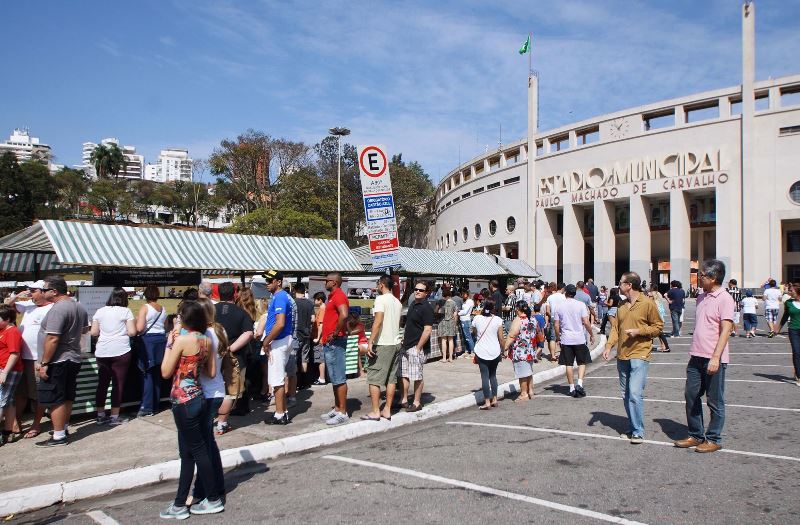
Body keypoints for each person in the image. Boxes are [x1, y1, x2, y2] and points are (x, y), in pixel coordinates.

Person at [159, 301, 223, 519]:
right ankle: (179, 503)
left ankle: (213, 498)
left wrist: (170, 343)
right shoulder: (206, 340)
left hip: (183, 399)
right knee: (188, 453)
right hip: (198, 396)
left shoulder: (182, 340)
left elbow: (165, 371)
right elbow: (212, 372)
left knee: (196, 451)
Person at [674, 259, 734, 454]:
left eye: (702, 275)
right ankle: (696, 434)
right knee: (691, 395)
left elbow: (726, 330)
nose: (699, 278)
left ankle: (714, 438)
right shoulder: (701, 296)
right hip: (696, 356)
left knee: (715, 400)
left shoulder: (725, 299)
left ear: (713, 277)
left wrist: (716, 357)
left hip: (713, 357)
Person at [603, 272, 663, 444]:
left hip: (640, 352)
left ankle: (638, 431)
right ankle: (632, 425)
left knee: (635, 393)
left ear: (629, 285)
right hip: (622, 354)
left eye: (620, 283)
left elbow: (658, 327)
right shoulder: (621, 305)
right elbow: (616, 329)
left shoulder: (647, 303)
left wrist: (640, 331)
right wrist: (608, 346)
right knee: (626, 393)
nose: (618, 285)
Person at [35, 276, 89, 447]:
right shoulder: (78, 306)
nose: (42, 292)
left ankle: (58, 436)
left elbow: (52, 338)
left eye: (44, 289)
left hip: (58, 359)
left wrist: (44, 363)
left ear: (54, 291)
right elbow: (84, 330)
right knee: (66, 395)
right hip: (72, 357)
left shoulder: (58, 309)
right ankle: (62, 428)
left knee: (55, 397)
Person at [191, 298, 227, 506]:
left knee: (203, 445)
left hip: (208, 391)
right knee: (208, 443)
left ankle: (204, 490)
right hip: (215, 390)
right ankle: (215, 485)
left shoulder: (207, 335)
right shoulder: (218, 331)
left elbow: (207, 368)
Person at [10, 281, 52, 438]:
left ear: (43, 292)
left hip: (37, 358)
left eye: (34, 290)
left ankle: (36, 424)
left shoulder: (51, 308)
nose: (30, 293)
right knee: (20, 393)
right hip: (21, 357)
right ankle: (17, 422)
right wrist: (18, 296)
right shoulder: (28, 305)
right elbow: (7, 306)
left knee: (38, 393)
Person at [91, 287, 137, 426]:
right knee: (118, 384)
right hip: (121, 350)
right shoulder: (126, 311)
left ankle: (100, 414)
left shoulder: (100, 311)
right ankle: (114, 416)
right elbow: (132, 332)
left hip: (102, 350)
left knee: (102, 383)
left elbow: (93, 332)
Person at [214, 282, 254, 434]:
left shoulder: (210, 311)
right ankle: (222, 423)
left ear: (218, 294)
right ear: (235, 294)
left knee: (213, 389)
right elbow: (248, 334)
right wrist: (231, 348)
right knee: (229, 392)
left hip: (213, 356)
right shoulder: (241, 313)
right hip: (234, 357)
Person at [362, 275, 402, 420]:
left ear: (381, 285)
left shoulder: (380, 299)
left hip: (383, 343)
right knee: (391, 379)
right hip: (395, 342)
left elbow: (378, 321)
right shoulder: (397, 301)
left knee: (374, 378)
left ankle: (375, 411)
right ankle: (387, 409)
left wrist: (370, 341)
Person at [261, 272, 295, 426]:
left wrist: (266, 341)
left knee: (277, 380)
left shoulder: (280, 297)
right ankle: (283, 412)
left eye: (269, 280)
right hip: (281, 340)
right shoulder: (278, 296)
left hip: (278, 341)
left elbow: (280, 323)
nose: (266, 283)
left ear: (278, 282)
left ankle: (280, 414)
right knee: (278, 378)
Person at [319, 273, 350, 425]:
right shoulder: (333, 296)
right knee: (334, 378)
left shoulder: (338, 295)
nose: (325, 282)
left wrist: (336, 333)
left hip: (335, 343)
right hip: (331, 343)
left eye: (327, 280)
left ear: (334, 282)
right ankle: (338, 408)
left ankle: (343, 412)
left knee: (339, 377)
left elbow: (344, 315)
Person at [554, 284, 595, 398]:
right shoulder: (581, 305)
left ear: (566, 293)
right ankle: (580, 383)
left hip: (566, 338)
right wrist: (591, 334)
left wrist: (558, 337)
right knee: (582, 362)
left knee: (568, 364)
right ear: (574, 293)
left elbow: (556, 325)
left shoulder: (559, 306)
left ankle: (571, 387)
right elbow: (586, 322)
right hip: (579, 337)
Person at [400, 281, 434, 412]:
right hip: (407, 345)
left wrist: (418, 348)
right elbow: (410, 324)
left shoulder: (427, 308)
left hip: (416, 347)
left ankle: (416, 402)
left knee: (416, 375)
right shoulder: (413, 304)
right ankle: (403, 399)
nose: (417, 291)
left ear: (426, 293)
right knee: (404, 374)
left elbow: (427, 330)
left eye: (421, 290)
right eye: (416, 289)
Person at [135, 284, 167, 417]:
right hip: (161, 341)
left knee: (147, 373)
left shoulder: (145, 308)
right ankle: (155, 404)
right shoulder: (163, 308)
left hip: (148, 341)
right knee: (157, 374)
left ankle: (147, 407)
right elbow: (165, 326)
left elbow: (140, 327)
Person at [471, 299, 505, 410]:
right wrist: (503, 350)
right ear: (493, 308)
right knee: (493, 375)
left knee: (484, 377)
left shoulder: (477, 318)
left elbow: (474, 332)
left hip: (481, 351)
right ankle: (494, 399)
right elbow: (501, 338)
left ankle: (487, 402)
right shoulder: (498, 320)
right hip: (495, 351)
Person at [0, 304, 23, 445]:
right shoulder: (3, 330)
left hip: (9, 370)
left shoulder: (12, 332)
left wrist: (4, 372)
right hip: (3, 369)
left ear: (7, 319)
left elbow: (14, 354)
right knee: (8, 402)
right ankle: (8, 432)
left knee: (2, 401)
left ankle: (7, 432)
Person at [505, 301, 537, 402]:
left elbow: (512, 335)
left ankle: (524, 393)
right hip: (530, 349)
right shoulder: (532, 319)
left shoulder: (518, 320)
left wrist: (505, 347)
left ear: (518, 309)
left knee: (522, 373)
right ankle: (530, 391)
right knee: (528, 371)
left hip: (520, 350)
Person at [776, 283, 800, 386]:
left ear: (797, 292)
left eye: (791, 291)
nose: (789, 292)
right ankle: (799, 376)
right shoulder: (788, 303)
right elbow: (785, 316)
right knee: (796, 352)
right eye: (789, 290)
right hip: (793, 330)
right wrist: (778, 328)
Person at [292, 284, 314, 389]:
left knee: (295, 358)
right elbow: (313, 319)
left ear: (295, 291)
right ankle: (304, 382)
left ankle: (296, 382)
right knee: (304, 358)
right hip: (306, 334)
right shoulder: (310, 303)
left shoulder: (293, 302)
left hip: (296, 334)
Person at [545, 283, 567, 361]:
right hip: (563, 318)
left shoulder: (550, 297)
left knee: (552, 338)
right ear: (563, 289)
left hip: (553, 318)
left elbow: (547, 311)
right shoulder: (564, 297)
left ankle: (553, 356)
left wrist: (552, 317)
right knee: (564, 336)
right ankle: (564, 354)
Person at [647, 284, 671, 353]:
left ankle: (666, 346)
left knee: (658, 332)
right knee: (658, 331)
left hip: (656, 314)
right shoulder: (659, 294)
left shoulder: (652, 294)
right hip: (661, 313)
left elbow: (650, 301)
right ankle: (663, 346)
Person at [311, 291, 327, 386]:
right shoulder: (323, 309)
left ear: (319, 300)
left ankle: (322, 378)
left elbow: (321, 325)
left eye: (315, 299)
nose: (314, 301)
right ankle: (321, 377)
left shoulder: (322, 309)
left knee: (320, 359)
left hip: (320, 339)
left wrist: (317, 337)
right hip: (319, 338)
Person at [438, 289, 457, 362]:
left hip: (443, 322)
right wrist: (454, 323)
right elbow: (455, 314)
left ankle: (444, 358)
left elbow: (437, 310)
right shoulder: (454, 303)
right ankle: (451, 358)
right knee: (451, 340)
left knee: (443, 340)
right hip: (451, 322)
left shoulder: (440, 302)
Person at [457, 289, 475, 357]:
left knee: (468, 336)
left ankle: (472, 351)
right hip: (463, 320)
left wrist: (458, 312)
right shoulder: (466, 301)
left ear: (467, 294)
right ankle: (467, 350)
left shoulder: (469, 301)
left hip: (466, 320)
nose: (462, 295)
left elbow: (465, 312)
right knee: (465, 337)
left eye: (463, 294)